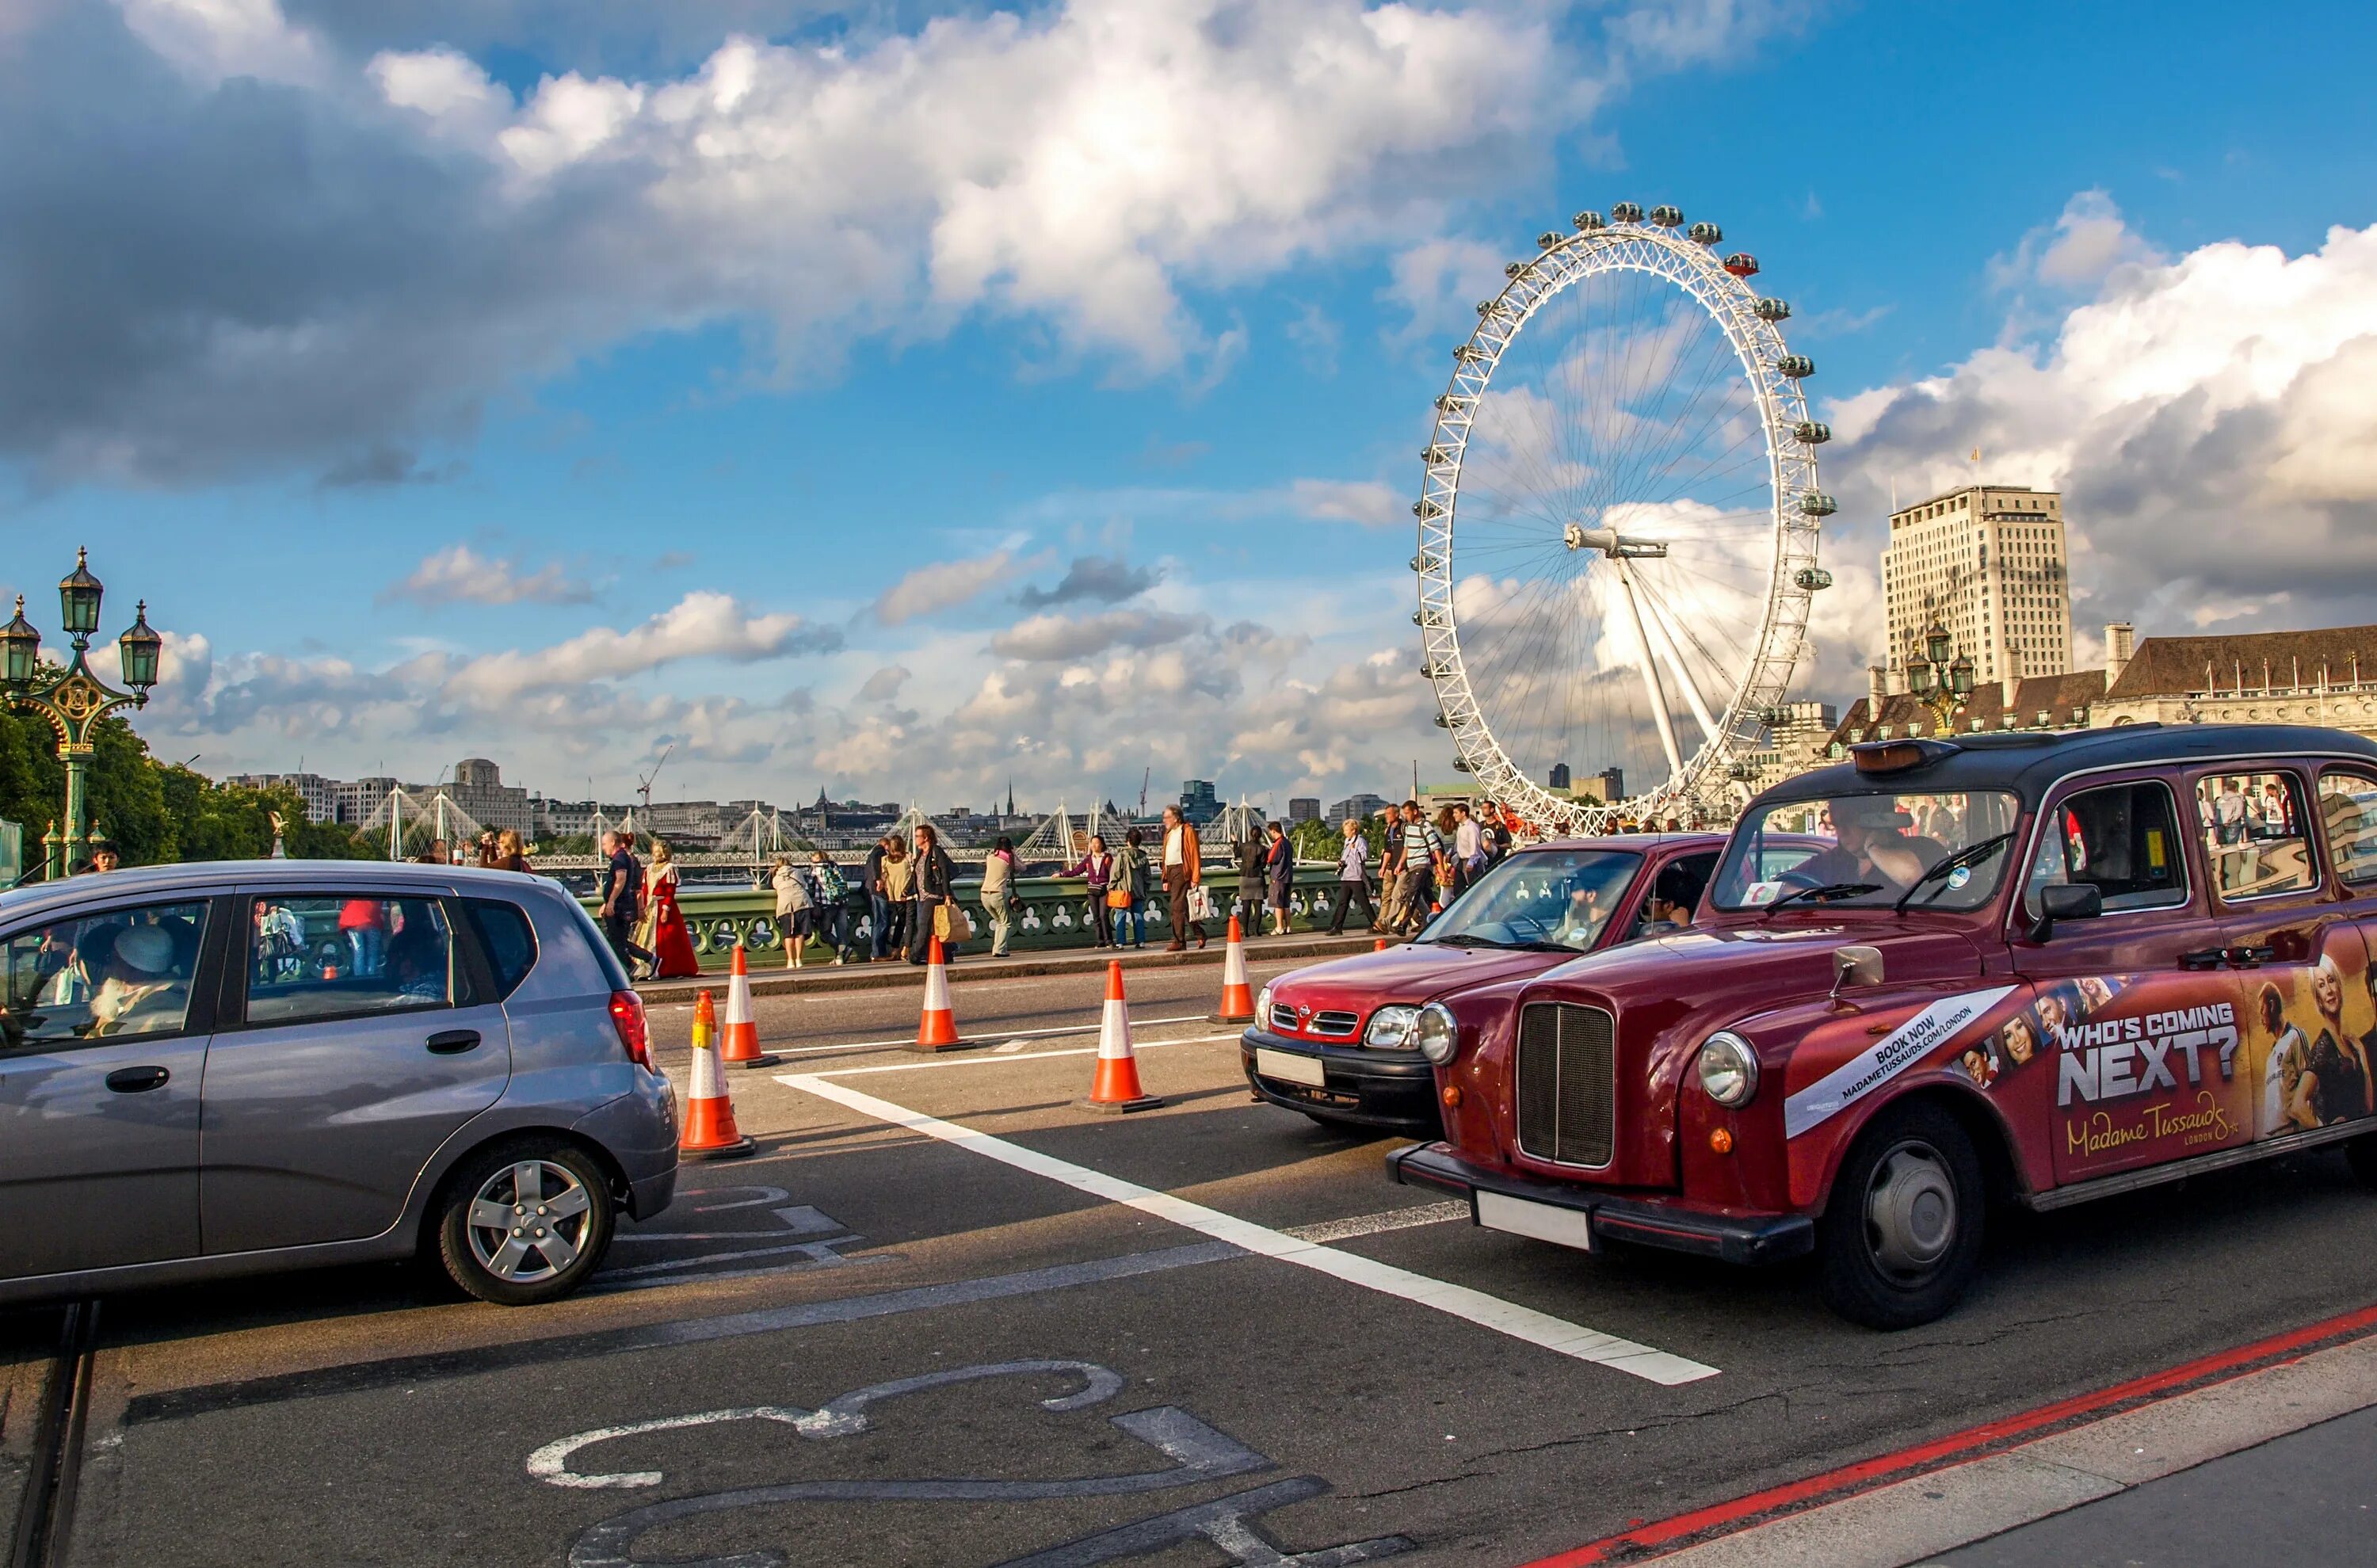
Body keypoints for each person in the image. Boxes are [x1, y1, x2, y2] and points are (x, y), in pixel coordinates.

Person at [2294, 954, 2374, 1127]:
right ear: (2319, 1000)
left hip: (2360, 1135)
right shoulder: (2324, 1045)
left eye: (2331, 980)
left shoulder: (2350, 1043)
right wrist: (2325, 1132)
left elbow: (2368, 1107)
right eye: (2321, 985)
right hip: (2341, 1144)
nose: (2329, 990)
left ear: (2339, 985)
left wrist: (2362, 1056)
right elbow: (2297, 1106)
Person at [1793, 796, 1931, 892]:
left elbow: (1911, 877)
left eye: (1848, 821)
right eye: (1836, 825)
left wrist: (1873, 847)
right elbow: (1783, 884)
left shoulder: (1922, 848)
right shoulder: (1833, 860)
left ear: (1875, 819)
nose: (1842, 832)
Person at [2258, 982, 2313, 1136]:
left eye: (2262, 1009)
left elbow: (2310, 1085)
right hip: (2272, 1135)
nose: (2260, 1016)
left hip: (2293, 1131)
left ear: (2272, 1005)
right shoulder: (2271, 1054)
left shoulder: (2295, 1036)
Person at [642, 841, 700, 979]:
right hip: (650, 907)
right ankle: (646, 968)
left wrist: (666, 910)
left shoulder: (669, 868)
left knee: (668, 938)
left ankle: (669, 968)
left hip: (663, 907)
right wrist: (642, 906)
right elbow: (644, 890)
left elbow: (670, 891)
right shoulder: (649, 868)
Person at [598, 831, 651, 977]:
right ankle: (636, 965)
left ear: (613, 843)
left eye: (604, 844)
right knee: (617, 940)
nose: (603, 848)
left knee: (613, 940)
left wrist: (611, 901)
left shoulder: (620, 859)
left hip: (619, 907)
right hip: (621, 905)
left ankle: (632, 966)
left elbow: (620, 880)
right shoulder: (623, 857)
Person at [907, 824, 958, 964]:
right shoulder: (920, 854)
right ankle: (947, 954)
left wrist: (947, 894)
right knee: (935, 927)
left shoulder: (936, 851)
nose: (915, 839)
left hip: (934, 895)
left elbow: (944, 873)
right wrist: (907, 890)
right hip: (922, 896)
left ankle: (915, 955)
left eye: (917, 836)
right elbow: (915, 876)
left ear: (926, 837)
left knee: (923, 924)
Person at [1161, 805, 1205, 952]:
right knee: (1184, 907)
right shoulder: (1168, 834)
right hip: (1171, 870)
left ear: (1176, 818)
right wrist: (1165, 878)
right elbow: (1165, 857)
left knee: (1176, 906)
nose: (1164, 821)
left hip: (1182, 870)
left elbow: (1194, 854)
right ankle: (1200, 933)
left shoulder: (1187, 831)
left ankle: (1179, 941)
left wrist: (1195, 877)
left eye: (1167, 817)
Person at [1325, 817, 1375, 935]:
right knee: (1343, 902)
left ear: (1353, 830)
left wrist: (1354, 851)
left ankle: (1375, 924)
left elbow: (1363, 858)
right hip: (1346, 875)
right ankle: (1337, 927)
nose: (1344, 832)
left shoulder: (1360, 841)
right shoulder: (1347, 842)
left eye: (1346, 830)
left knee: (1363, 902)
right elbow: (1346, 857)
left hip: (1356, 876)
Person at [1069, 834, 1116, 948]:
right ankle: (1100, 941)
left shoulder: (1107, 858)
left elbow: (1113, 872)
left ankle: (1109, 940)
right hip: (1092, 890)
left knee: (1103, 915)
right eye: (1092, 843)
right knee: (1096, 916)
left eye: (1097, 843)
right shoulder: (1088, 860)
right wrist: (1061, 874)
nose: (1094, 845)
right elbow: (1077, 871)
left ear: (1102, 845)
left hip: (1104, 889)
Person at [770, 853, 813, 969]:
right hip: (801, 903)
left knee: (788, 934)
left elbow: (775, 887)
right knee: (800, 932)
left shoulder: (776, 878)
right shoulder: (797, 872)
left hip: (785, 905)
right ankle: (799, 959)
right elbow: (804, 884)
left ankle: (790, 960)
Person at [809, 851, 849, 963]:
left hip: (827, 904)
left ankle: (842, 951)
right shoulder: (835, 866)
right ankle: (840, 958)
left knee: (825, 932)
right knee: (842, 931)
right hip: (842, 901)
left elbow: (809, 884)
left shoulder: (815, 869)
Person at [982, 836, 1018, 958]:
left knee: (999, 922)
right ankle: (999, 949)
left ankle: (997, 948)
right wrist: (1014, 854)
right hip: (998, 894)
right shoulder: (1008, 858)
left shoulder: (990, 857)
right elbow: (1022, 867)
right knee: (1007, 923)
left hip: (984, 894)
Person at [1116, 828, 1150, 948]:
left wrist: (1111, 887)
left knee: (1120, 915)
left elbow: (1115, 873)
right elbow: (1147, 876)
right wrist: (1145, 889)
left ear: (1128, 841)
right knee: (1138, 915)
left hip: (1123, 890)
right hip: (1139, 890)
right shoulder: (1143, 857)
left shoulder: (1122, 855)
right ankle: (1140, 941)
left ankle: (1120, 942)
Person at [880, 835, 913, 959]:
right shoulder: (907, 858)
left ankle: (895, 948)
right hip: (907, 894)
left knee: (897, 922)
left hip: (893, 896)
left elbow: (883, 878)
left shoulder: (885, 860)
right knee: (906, 922)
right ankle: (905, 948)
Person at [337, 895, 386, 977]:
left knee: (358, 951)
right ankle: (371, 977)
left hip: (354, 920)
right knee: (373, 952)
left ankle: (359, 978)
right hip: (373, 919)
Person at [863, 835, 894, 962]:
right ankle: (877, 953)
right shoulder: (879, 852)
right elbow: (877, 866)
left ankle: (878, 952)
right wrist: (878, 880)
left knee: (879, 921)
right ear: (886, 846)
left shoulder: (872, 854)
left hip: (870, 890)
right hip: (878, 891)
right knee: (882, 921)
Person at [1262, 820, 1294, 936]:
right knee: (1286, 904)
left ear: (1274, 831)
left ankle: (1279, 927)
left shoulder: (1278, 843)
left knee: (1278, 903)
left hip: (1278, 877)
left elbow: (1270, 859)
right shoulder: (1288, 843)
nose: (1270, 834)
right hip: (1288, 876)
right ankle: (1289, 927)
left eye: (1270, 832)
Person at [1452, 803, 1484, 896]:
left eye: (1456, 813)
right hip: (1461, 861)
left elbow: (1475, 845)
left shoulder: (1472, 827)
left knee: (1474, 890)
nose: (1454, 815)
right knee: (1458, 890)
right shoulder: (1461, 827)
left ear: (1463, 813)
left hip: (1470, 862)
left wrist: (1472, 861)